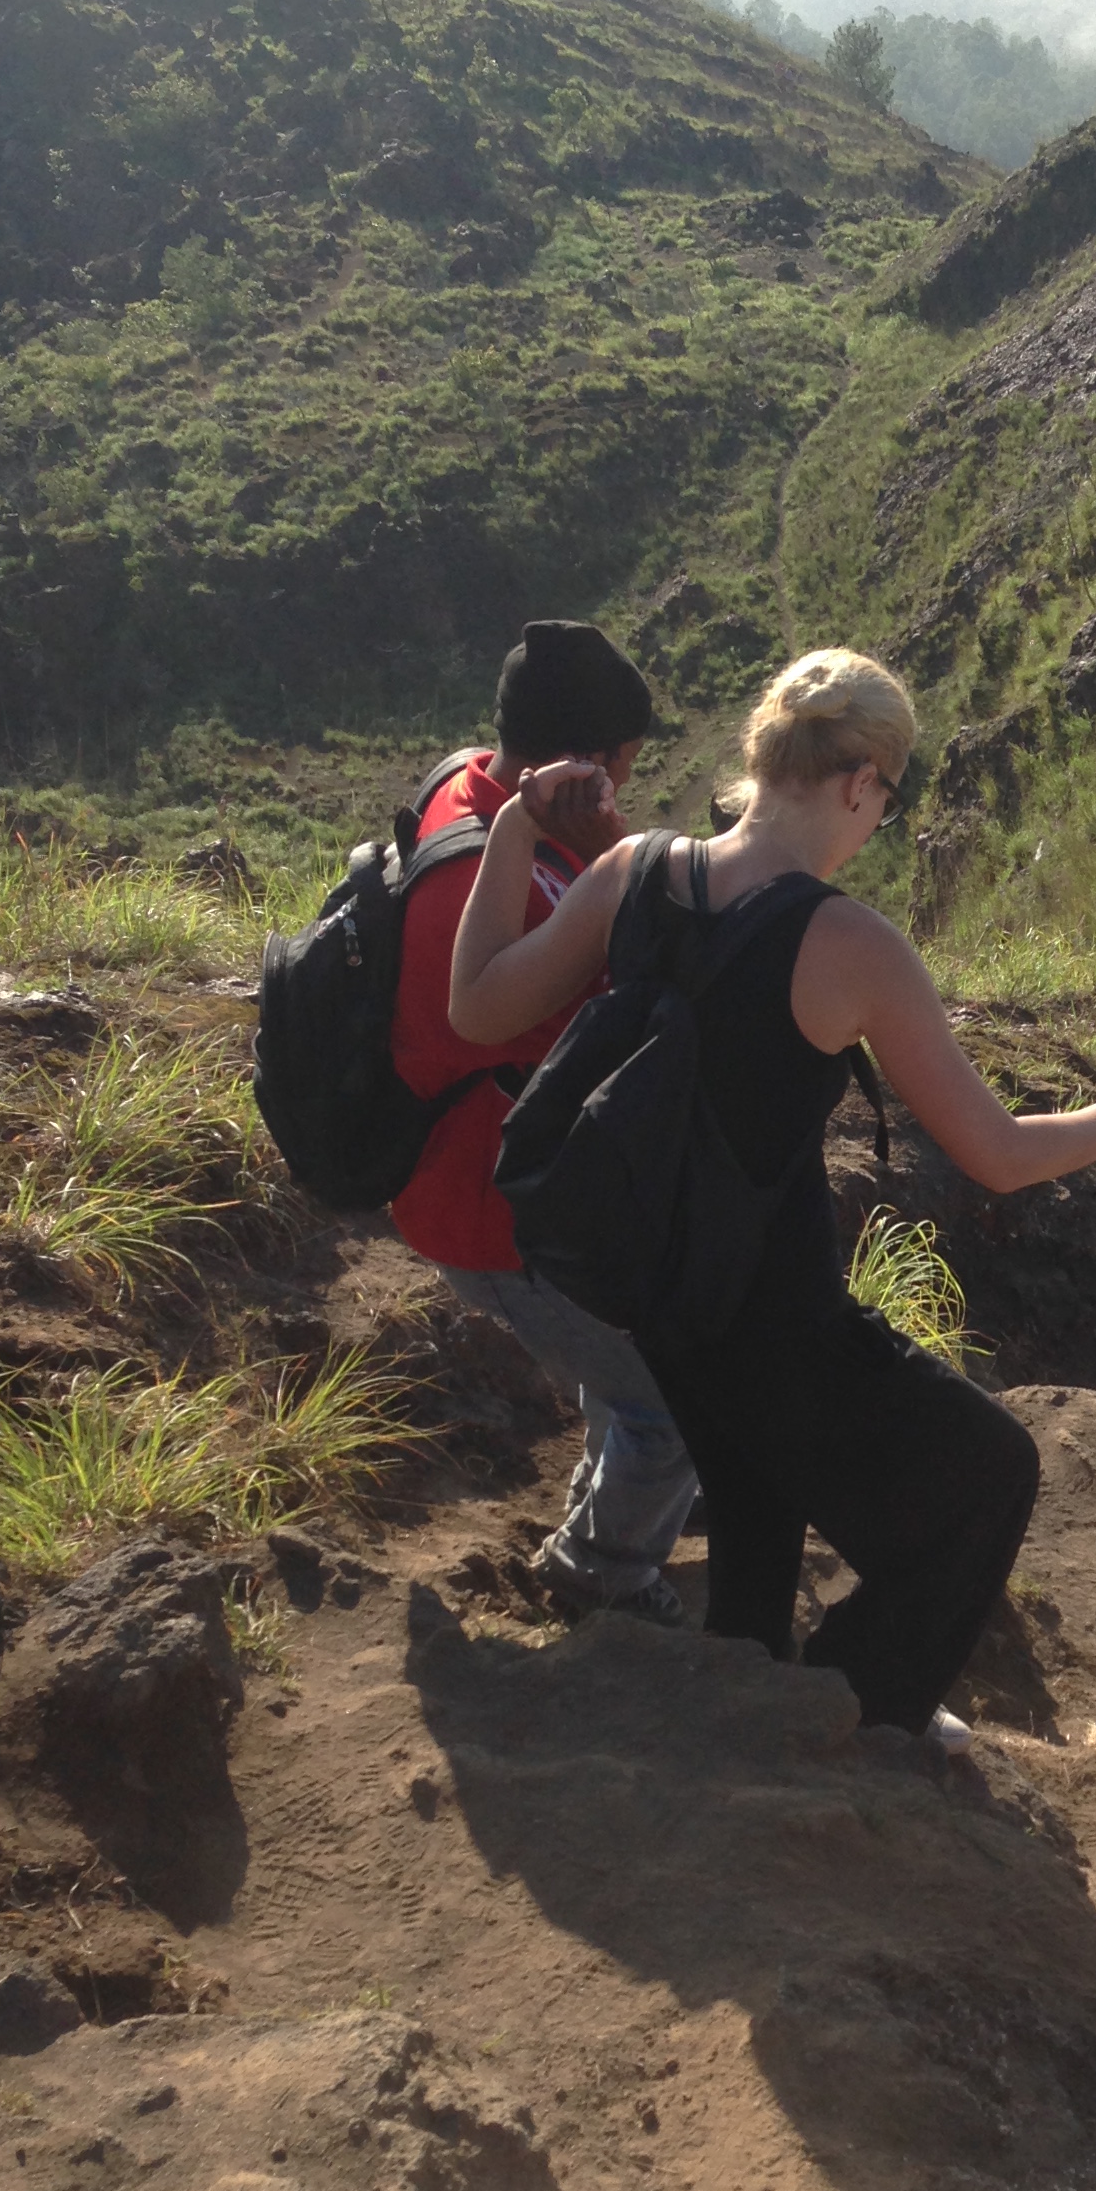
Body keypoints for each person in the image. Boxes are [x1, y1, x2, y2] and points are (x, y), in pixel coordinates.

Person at [446, 649, 1096, 1737]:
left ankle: (751, 1692)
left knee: (758, 1516)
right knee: (992, 1475)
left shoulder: (634, 875)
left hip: (670, 1307)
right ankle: (853, 1716)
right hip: (778, 1323)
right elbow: (992, 1151)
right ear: (861, 783)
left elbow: (475, 1009)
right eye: (884, 805)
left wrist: (516, 831)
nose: (875, 824)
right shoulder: (848, 943)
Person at [391, 619, 697, 1627]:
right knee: (677, 1398)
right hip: (496, 1219)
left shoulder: (475, 796)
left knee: (625, 1376)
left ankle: (602, 1519)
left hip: (493, 1194)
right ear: (590, 763)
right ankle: (600, 1571)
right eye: (623, 770)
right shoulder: (483, 880)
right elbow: (606, 1010)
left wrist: (598, 842)